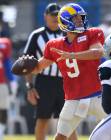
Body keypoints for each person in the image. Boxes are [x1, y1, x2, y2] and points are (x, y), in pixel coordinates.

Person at [23, 3, 107, 140]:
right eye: (76, 18)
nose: (80, 20)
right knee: (61, 137)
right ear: (66, 21)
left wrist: (73, 55)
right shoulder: (54, 45)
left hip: (97, 96)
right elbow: (39, 68)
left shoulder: (92, 33)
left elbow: (98, 52)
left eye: (81, 18)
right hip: (73, 99)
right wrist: (27, 66)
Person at [23, 3, 77, 140]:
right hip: (44, 82)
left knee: (68, 122)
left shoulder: (68, 34)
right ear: (45, 16)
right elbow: (27, 63)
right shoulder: (36, 35)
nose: (55, 18)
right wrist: (30, 87)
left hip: (66, 82)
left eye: (57, 15)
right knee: (42, 120)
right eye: (52, 15)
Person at [0, 37, 18, 139]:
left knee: (3, 109)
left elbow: (7, 63)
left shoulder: (4, 42)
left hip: (1, 82)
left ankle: (0, 132)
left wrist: (12, 80)